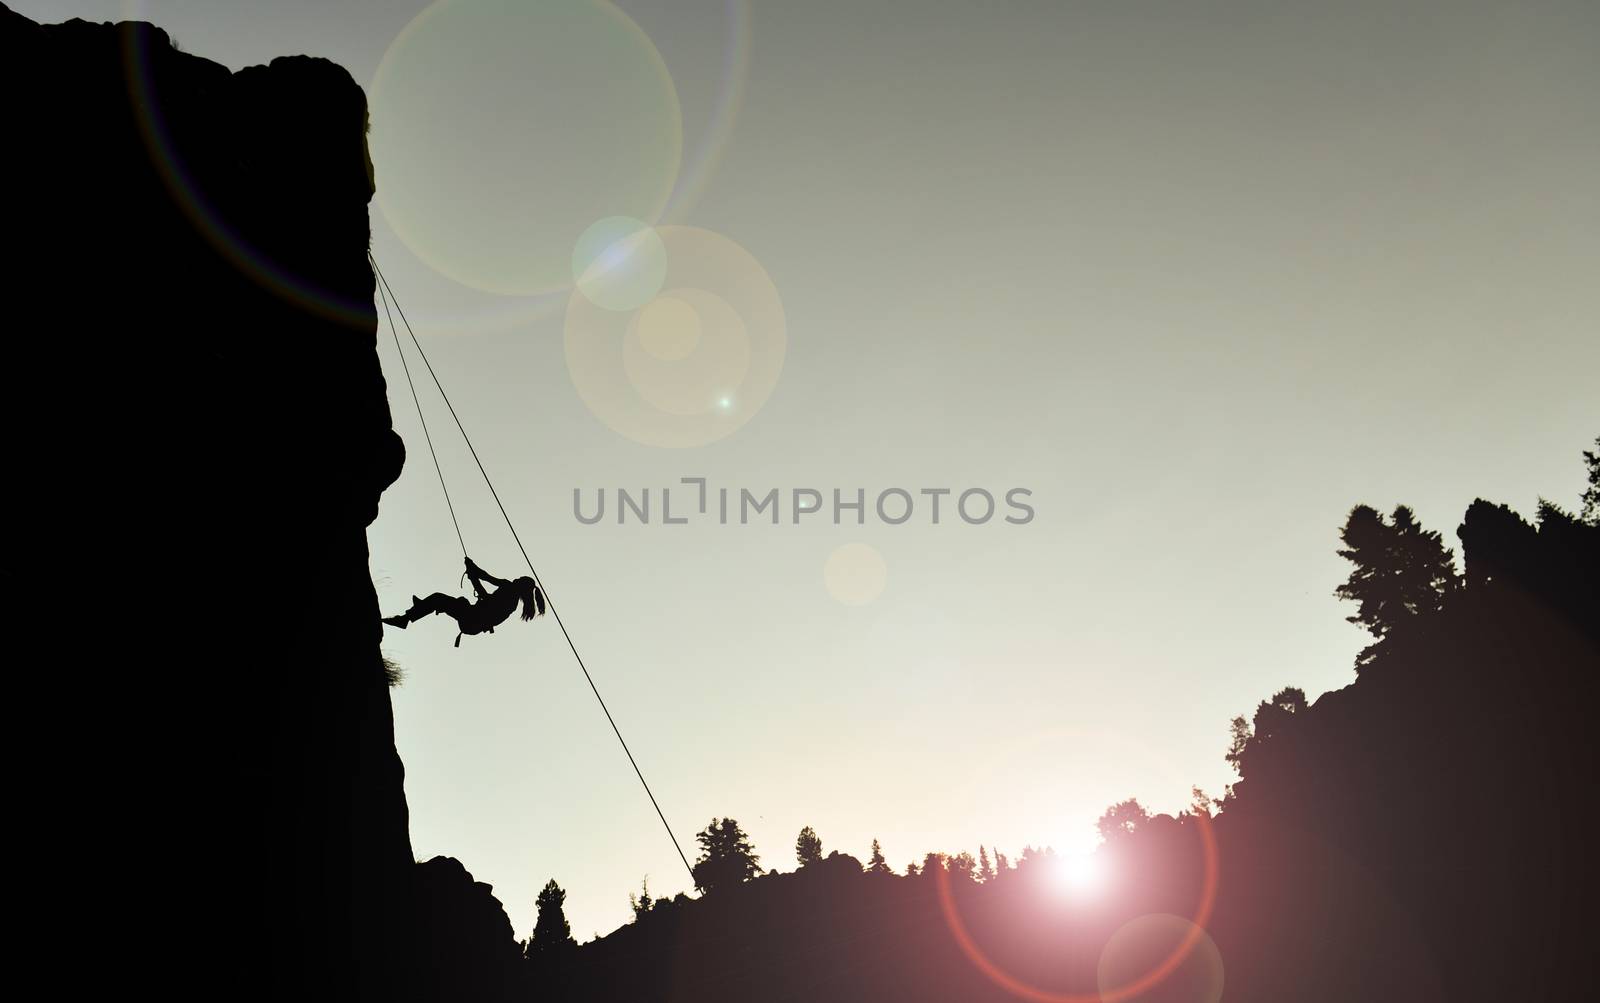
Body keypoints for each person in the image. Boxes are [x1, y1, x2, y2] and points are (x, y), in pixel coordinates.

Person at [383, 557, 545, 646]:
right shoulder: (508, 589)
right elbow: (486, 576)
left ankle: (407, 617)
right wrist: (472, 567)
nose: (515, 579)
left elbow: (485, 596)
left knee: (439, 599)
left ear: (521, 587)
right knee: (439, 600)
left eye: (519, 579)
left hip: (473, 620)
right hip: (473, 619)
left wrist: (473, 577)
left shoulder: (510, 598)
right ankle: (420, 608)